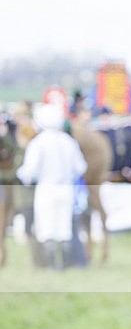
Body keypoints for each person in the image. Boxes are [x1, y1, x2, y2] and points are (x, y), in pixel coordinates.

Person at [16, 103, 87, 270]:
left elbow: (29, 171)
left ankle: (52, 265)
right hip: (66, 189)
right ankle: (64, 264)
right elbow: (80, 167)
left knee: (47, 227)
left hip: (46, 189)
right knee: (64, 228)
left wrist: (21, 174)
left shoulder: (38, 142)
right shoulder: (68, 141)